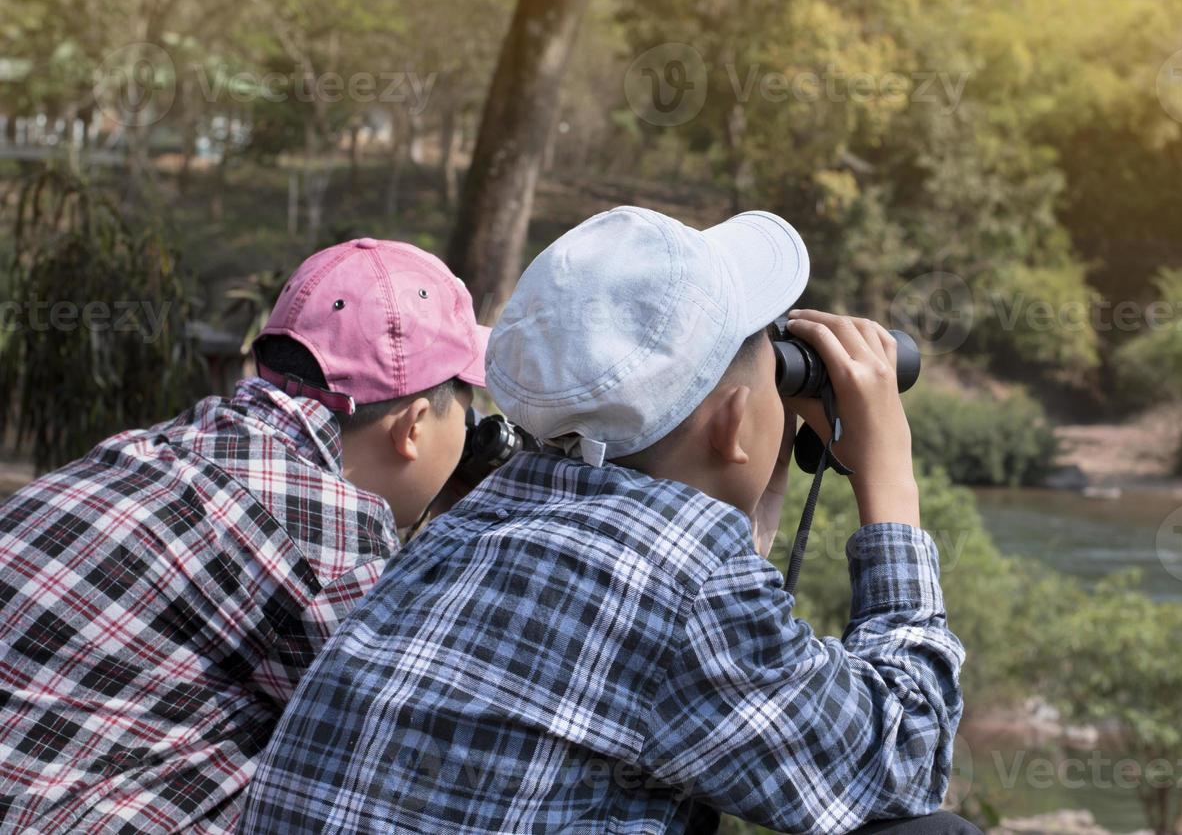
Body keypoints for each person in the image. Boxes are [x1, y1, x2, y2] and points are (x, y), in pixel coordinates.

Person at [236, 207, 975, 834]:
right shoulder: (686, 591)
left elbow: (684, 633)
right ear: (737, 422)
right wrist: (888, 477)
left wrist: (757, 456)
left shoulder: (478, 519)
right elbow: (903, 758)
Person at [0, 237, 491, 834]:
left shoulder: (162, 446)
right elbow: (421, 744)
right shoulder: (328, 538)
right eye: (466, 413)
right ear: (414, 426)